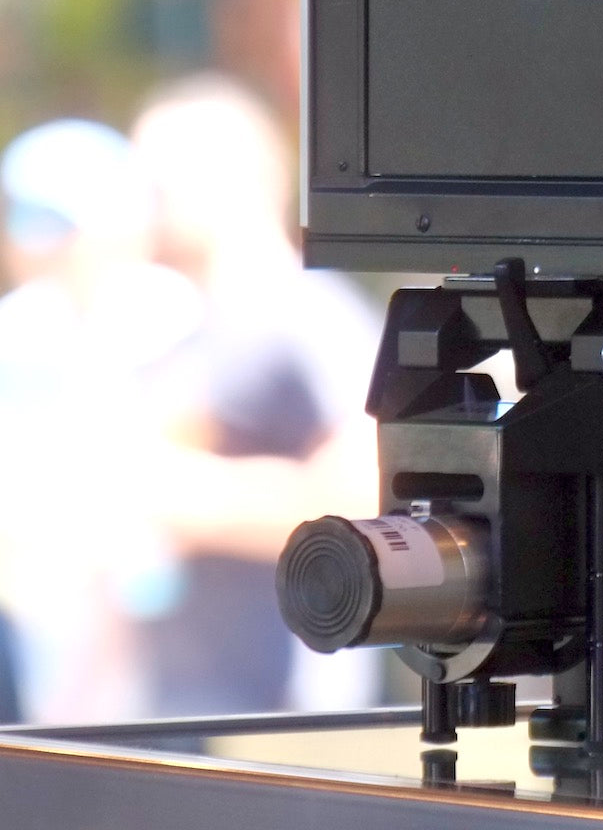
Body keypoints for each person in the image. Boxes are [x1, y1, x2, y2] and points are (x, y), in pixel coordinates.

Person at [129, 74, 382, 715]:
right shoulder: (181, 328)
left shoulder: (310, 317)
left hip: (284, 710)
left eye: (160, 184)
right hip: (188, 702)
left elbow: (369, 500)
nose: (144, 205)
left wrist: (192, 496)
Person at [0, 118, 201, 722]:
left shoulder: (177, 318)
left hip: (185, 650)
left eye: (64, 226)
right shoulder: (19, 332)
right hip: (45, 631)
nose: (45, 247)